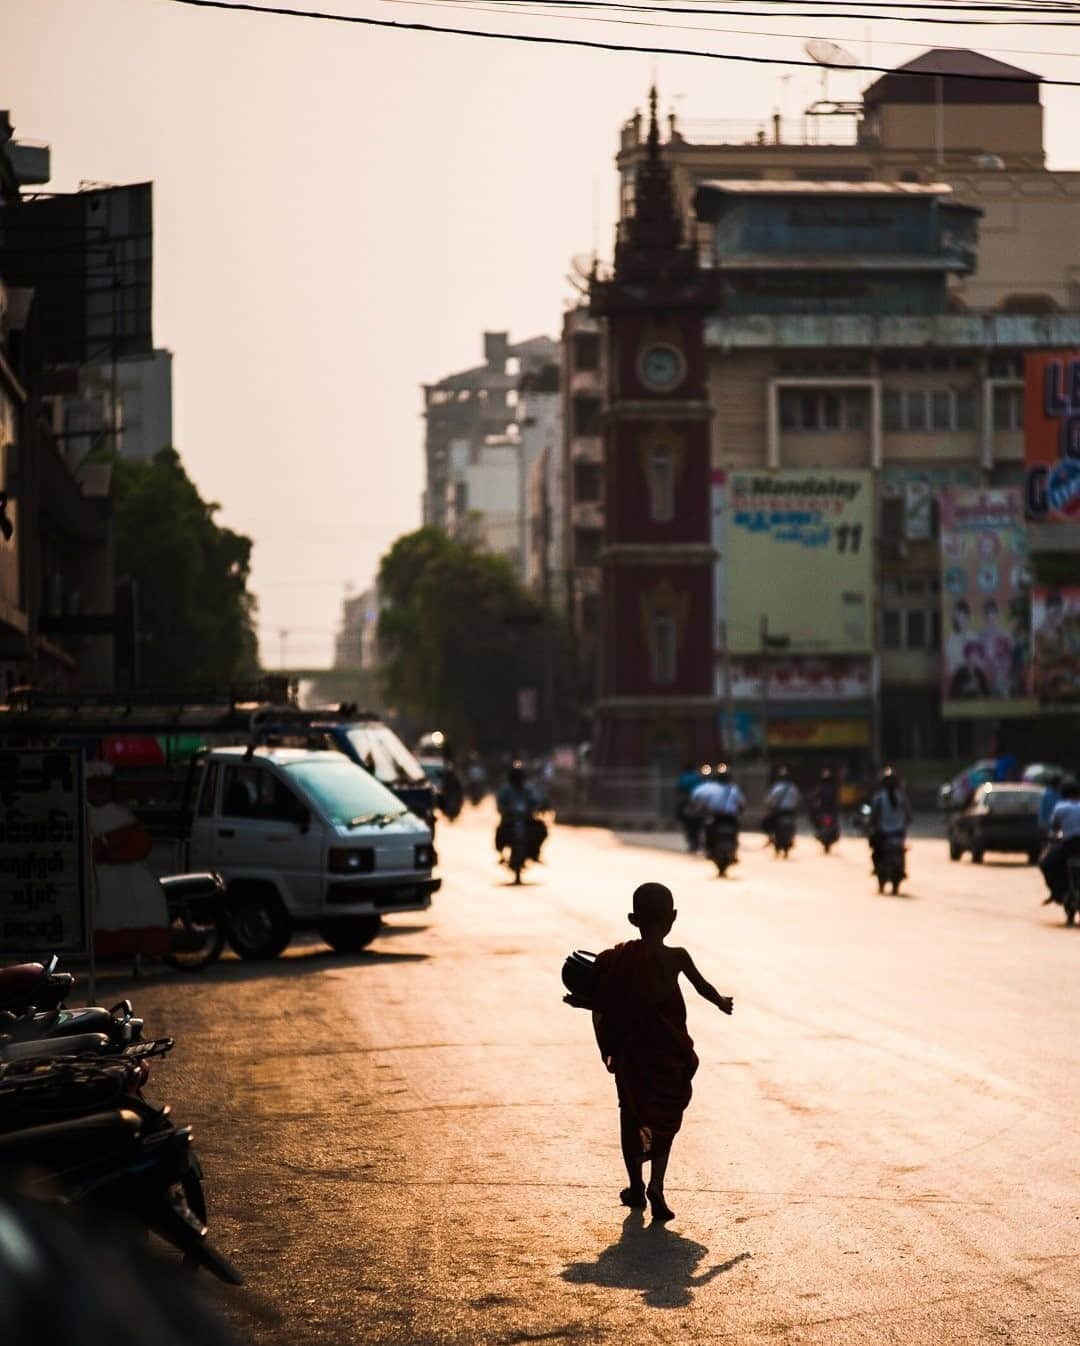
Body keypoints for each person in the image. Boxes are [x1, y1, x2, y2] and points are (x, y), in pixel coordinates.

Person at [588, 883, 733, 1222]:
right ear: (673, 919)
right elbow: (703, 987)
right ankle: (657, 1185)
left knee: (631, 1115)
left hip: (633, 1054)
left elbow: (606, 1000)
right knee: (666, 1118)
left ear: (633, 919)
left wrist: (582, 1002)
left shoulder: (618, 959)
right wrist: (721, 1002)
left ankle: (636, 1186)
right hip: (667, 1053)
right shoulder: (677, 956)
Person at [86, 760, 169, 972]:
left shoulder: (122, 815)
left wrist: (113, 850)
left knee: (144, 905)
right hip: (97, 877)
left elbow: (141, 844)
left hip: (131, 876)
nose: (99, 791)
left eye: (103, 785)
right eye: (94, 786)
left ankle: (138, 952)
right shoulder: (81, 815)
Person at [690, 763, 745, 856]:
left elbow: (698, 800)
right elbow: (741, 803)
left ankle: (712, 848)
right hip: (726, 817)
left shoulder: (710, 789)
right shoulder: (734, 789)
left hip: (718, 817)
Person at [495, 760, 546, 861]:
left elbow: (536, 800)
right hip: (510, 818)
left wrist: (537, 808)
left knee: (541, 830)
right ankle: (501, 853)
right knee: (500, 832)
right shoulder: (506, 789)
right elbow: (500, 802)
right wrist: (503, 810)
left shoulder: (528, 789)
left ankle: (535, 852)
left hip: (526, 818)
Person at [1039, 779, 1080, 902]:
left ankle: (1057, 893)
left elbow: (1054, 827)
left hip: (1070, 845)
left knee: (1045, 864)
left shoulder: (1060, 808)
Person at [867, 767, 911, 872]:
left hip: (884, 833)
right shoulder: (901, 797)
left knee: (875, 850)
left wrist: (870, 825)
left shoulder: (879, 798)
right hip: (899, 832)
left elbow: (873, 816)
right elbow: (908, 816)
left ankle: (877, 869)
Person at [762, 765, 800, 841]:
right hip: (790, 811)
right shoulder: (793, 787)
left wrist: (769, 806)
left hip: (780, 811)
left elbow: (770, 799)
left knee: (765, 822)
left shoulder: (777, 787)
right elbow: (797, 799)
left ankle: (770, 837)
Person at [674, 761, 704, 852]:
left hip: (687, 801)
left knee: (682, 815)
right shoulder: (698, 777)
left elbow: (678, 789)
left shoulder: (683, 778)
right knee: (701, 819)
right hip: (698, 801)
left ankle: (679, 820)